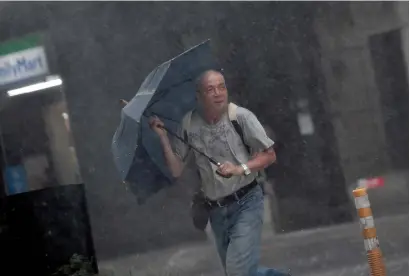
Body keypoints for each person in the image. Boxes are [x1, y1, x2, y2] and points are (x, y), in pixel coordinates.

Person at [149, 70, 289, 276]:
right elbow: (176, 169)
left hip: (247, 202)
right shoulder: (188, 124)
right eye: (210, 89)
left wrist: (239, 169)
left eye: (221, 87)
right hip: (216, 210)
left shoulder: (241, 117)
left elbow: (270, 155)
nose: (218, 93)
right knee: (240, 272)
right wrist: (162, 137)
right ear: (198, 96)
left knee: (237, 271)